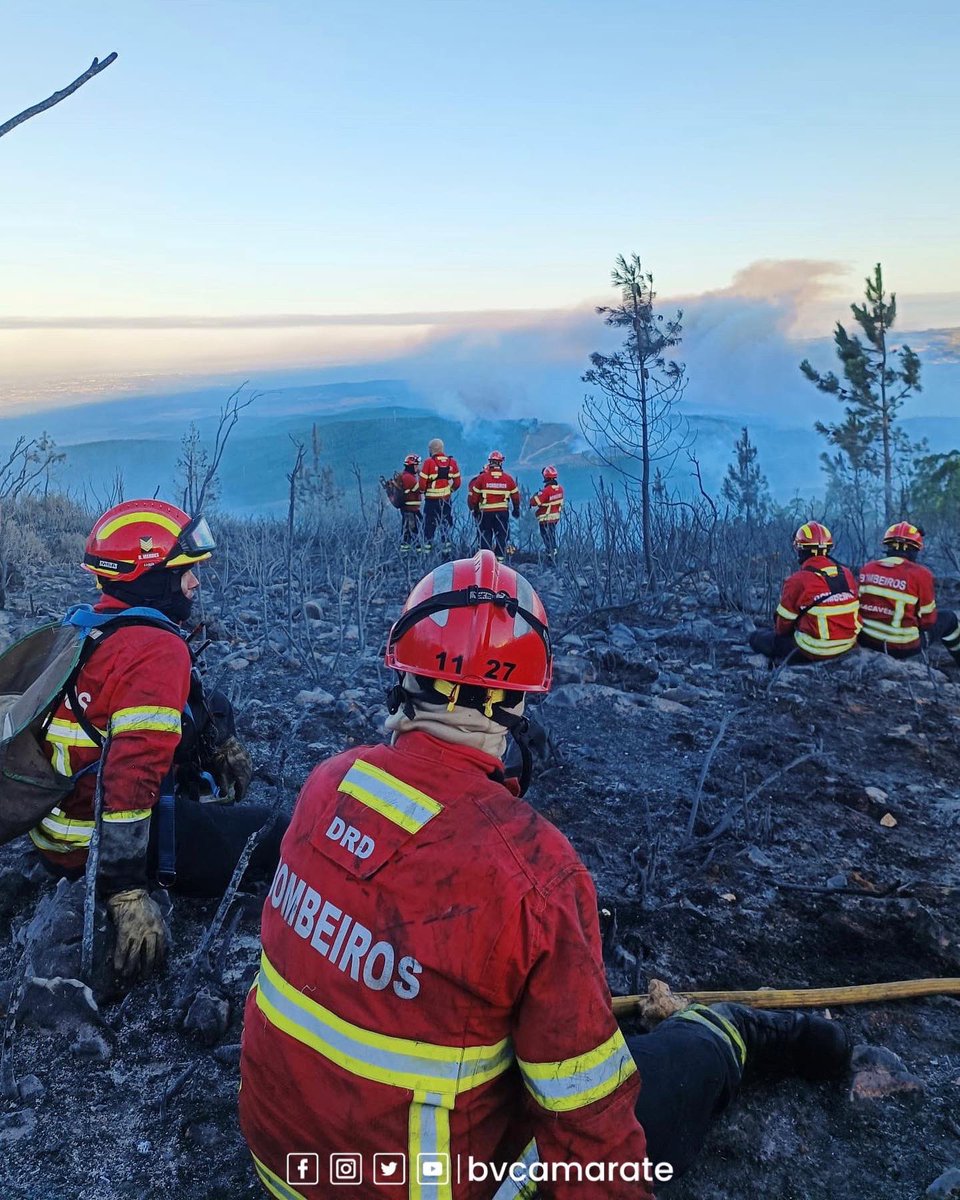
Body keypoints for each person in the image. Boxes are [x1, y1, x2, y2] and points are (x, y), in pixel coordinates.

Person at [239, 550, 851, 1198]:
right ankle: (748, 1033)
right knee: (661, 1072)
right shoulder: (534, 870)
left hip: (280, 1167)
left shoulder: (328, 784)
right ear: (517, 702)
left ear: (404, 676)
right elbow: (593, 1133)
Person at [31, 499, 285, 980]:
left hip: (53, 828)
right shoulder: (156, 649)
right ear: (149, 576)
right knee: (277, 834)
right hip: (95, 847)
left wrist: (218, 741)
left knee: (215, 703)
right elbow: (132, 774)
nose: (196, 583)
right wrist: (124, 890)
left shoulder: (87, 625)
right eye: (186, 571)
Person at [750, 522, 860, 663]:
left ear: (800, 550)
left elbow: (782, 627)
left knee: (756, 638)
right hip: (847, 645)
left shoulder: (797, 580)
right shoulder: (846, 573)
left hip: (814, 650)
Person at [858, 521, 960, 665]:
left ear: (888, 546)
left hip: (867, 640)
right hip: (902, 647)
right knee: (949, 618)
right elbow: (928, 621)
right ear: (914, 550)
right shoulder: (920, 574)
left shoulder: (867, 568)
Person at [468, 450, 520, 560]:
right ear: (501, 463)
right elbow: (515, 496)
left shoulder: (482, 478)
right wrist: (516, 509)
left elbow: (474, 497)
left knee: (485, 537)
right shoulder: (508, 478)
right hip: (502, 513)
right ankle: (500, 562)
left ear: (490, 462)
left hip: (486, 513)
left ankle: (486, 561)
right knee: (501, 537)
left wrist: (475, 509)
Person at [419, 438, 461, 552]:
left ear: (431, 450)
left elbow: (422, 484)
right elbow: (457, 483)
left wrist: (424, 491)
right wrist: (449, 490)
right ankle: (446, 553)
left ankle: (427, 553)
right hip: (446, 501)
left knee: (429, 528)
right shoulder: (452, 462)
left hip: (431, 502)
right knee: (445, 526)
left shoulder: (428, 462)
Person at [529, 464, 565, 561]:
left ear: (545, 477)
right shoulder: (560, 489)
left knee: (547, 539)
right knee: (552, 537)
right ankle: (554, 555)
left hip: (546, 519)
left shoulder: (546, 491)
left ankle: (551, 558)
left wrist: (535, 495)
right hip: (555, 518)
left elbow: (534, 502)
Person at [398, 454, 423, 552]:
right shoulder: (408, 477)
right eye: (417, 465)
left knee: (410, 532)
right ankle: (412, 554)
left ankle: (409, 552)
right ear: (411, 466)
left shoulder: (407, 476)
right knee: (412, 532)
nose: (418, 467)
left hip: (412, 510)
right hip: (409, 510)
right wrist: (422, 476)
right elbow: (420, 488)